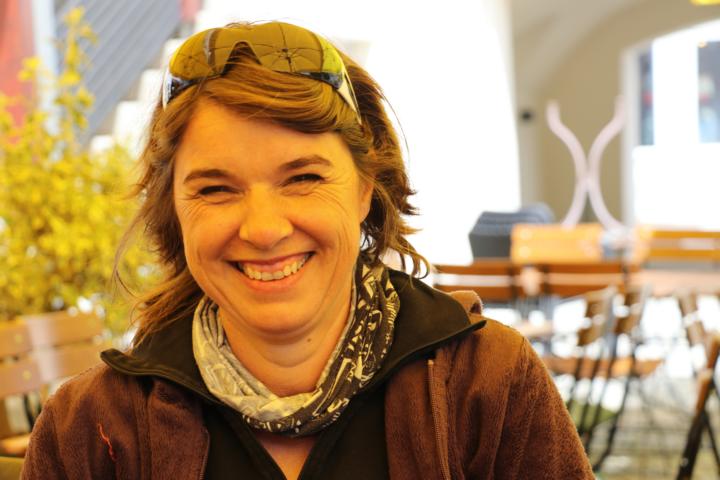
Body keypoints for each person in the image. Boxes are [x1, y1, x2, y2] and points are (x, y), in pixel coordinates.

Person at [22, 21, 593, 479]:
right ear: (174, 209)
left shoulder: (487, 385)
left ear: (366, 188)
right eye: (216, 189)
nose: (264, 230)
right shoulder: (90, 430)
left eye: (302, 178)